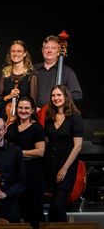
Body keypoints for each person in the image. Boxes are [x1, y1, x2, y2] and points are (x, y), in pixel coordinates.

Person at [43, 85, 83, 222]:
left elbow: (77, 146)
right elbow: (47, 140)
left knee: (58, 205)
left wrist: (65, 168)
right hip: (50, 165)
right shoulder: (49, 117)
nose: (56, 98)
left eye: (59, 95)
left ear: (66, 96)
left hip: (66, 165)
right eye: (53, 95)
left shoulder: (75, 117)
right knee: (55, 206)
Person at [6, 97, 45, 228]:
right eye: (20, 107)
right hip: (15, 173)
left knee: (33, 211)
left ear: (33, 110)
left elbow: (40, 152)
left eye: (27, 108)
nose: (23, 110)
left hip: (32, 173)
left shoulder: (37, 128)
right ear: (16, 109)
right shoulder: (11, 127)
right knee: (17, 209)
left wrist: (18, 153)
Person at [35, 35, 83, 107]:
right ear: (42, 51)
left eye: (53, 48)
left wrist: (60, 102)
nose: (49, 51)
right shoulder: (34, 69)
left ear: (58, 52)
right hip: (35, 114)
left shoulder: (67, 72)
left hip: (57, 114)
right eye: (46, 48)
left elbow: (77, 95)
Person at [0, 40, 38, 122]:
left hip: (24, 116)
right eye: (13, 51)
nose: (15, 54)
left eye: (19, 51)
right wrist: (9, 96)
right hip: (6, 115)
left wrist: (20, 112)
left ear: (25, 53)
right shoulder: (5, 73)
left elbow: (32, 101)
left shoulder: (31, 74)